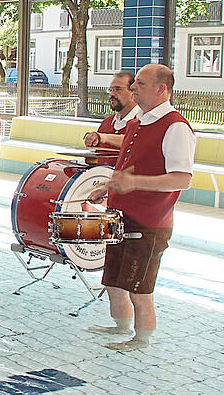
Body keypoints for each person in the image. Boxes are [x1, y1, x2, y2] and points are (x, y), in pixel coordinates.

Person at [87, 64, 195, 350]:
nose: (133, 88)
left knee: (139, 287)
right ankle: (120, 326)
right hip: (120, 215)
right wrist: (106, 188)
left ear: (162, 89)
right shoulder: (137, 123)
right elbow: (126, 168)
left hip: (149, 221)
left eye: (141, 84)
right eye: (134, 83)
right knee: (112, 279)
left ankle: (141, 338)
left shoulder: (175, 127)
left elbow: (182, 179)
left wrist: (135, 184)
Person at [84, 71, 140, 149]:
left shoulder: (143, 122)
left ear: (133, 92)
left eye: (118, 89)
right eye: (110, 89)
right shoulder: (107, 122)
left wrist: (103, 138)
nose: (111, 94)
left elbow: (134, 142)